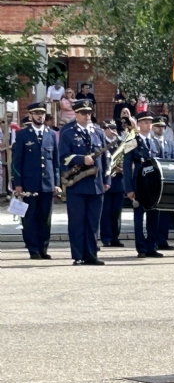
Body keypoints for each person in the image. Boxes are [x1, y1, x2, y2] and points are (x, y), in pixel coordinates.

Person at [58, 99, 109, 265]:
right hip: (77, 184)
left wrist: (106, 179)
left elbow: (105, 158)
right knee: (77, 222)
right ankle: (79, 255)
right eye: (84, 113)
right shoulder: (68, 132)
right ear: (76, 113)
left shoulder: (98, 132)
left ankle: (91, 255)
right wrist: (81, 159)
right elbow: (63, 158)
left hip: (96, 184)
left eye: (89, 112)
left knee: (93, 222)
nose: (87, 116)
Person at [11, 102, 61, 259]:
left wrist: (57, 183)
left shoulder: (51, 134)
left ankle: (43, 248)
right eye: (37, 113)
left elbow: (56, 162)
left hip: (47, 183)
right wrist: (17, 183)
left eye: (42, 113)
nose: (40, 116)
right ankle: (33, 249)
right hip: (29, 183)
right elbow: (16, 161)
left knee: (45, 217)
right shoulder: (23, 134)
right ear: (31, 115)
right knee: (30, 217)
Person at [123, 111, 163, 259]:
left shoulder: (155, 141)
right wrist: (129, 188)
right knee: (139, 217)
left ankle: (152, 246)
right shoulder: (132, 141)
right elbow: (127, 166)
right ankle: (141, 247)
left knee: (154, 215)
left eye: (150, 122)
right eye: (145, 122)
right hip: (138, 182)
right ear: (138, 123)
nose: (149, 124)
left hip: (153, 184)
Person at [150, 115, 174, 251]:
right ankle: (153, 240)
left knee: (166, 211)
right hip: (155, 181)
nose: (160, 129)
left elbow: (173, 160)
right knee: (154, 213)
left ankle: (163, 239)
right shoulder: (151, 142)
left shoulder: (169, 143)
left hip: (167, 180)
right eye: (158, 126)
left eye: (163, 126)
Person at [100, 120, 125, 248]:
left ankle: (115, 236)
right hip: (106, 181)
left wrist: (123, 168)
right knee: (106, 211)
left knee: (117, 212)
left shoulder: (120, 143)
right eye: (110, 128)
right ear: (104, 129)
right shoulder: (102, 143)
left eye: (115, 127)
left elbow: (126, 160)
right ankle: (106, 237)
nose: (113, 130)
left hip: (119, 181)